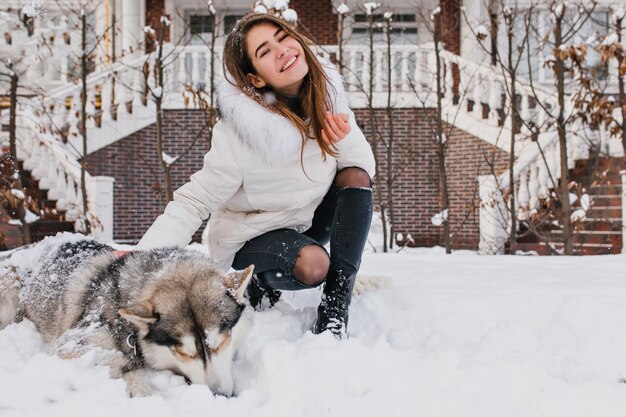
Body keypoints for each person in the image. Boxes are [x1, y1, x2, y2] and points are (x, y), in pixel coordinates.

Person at [136, 13, 375, 339]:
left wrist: (341, 137)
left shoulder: (327, 102)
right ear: (257, 79)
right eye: (264, 51)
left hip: (304, 224)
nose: (282, 49)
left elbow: (361, 174)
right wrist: (140, 262)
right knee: (314, 265)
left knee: (355, 177)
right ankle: (257, 282)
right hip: (249, 238)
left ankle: (336, 306)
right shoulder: (240, 133)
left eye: (282, 36)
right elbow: (195, 200)